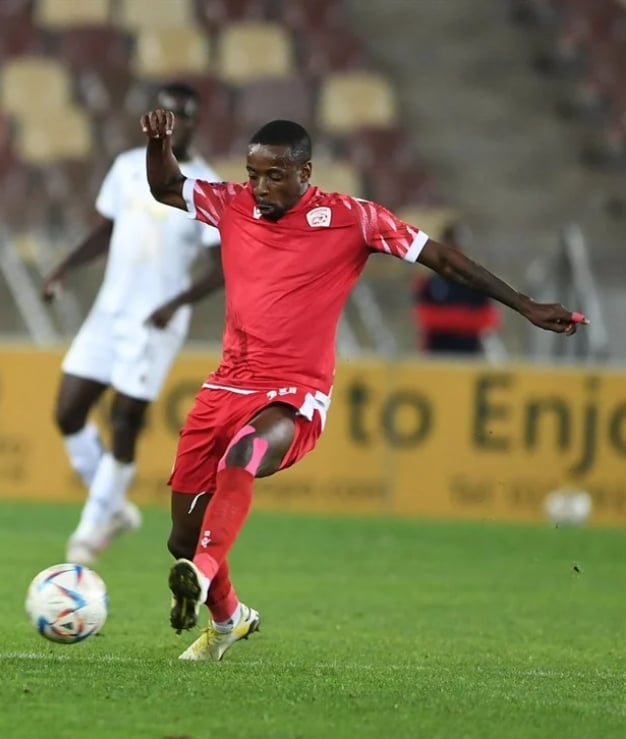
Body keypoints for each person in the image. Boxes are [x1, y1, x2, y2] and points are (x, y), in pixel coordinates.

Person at [140, 108, 586, 661]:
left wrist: (524, 305)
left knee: (244, 454)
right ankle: (229, 618)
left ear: (305, 172)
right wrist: (159, 143)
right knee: (181, 539)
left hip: (293, 392)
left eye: (274, 176)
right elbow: (166, 186)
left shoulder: (353, 219)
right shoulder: (232, 204)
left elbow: (442, 259)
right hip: (225, 387)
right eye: (253, 175)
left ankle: (204, 573)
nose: (260, 188)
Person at [41, 83, 225, 565]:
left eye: (183, 115)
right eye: (167, 113)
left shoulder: (205, 184)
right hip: (109, 311)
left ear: (195, 122)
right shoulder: (126, 167)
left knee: (124, 421)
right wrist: (64, 269)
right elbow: (106, 230)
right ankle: (114, 508)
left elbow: (222, 266)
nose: (174, 122)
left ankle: (89, 531)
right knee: (68, 412)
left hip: (155, 321)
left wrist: (176, 303)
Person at [413, 222, 501, 355]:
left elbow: (489, 318)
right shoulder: (429, 282)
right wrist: (464, 318)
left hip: (470, 354)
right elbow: (423, 317)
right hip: (436, 353)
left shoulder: (477, 283)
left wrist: (449, 319)